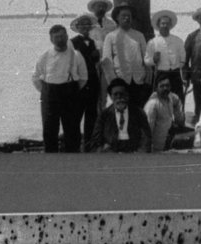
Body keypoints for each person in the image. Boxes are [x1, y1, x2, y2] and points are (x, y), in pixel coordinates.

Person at [32, 23, 89, 153]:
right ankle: (51, 158)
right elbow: (35, 77)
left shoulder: (76, 55)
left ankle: (73, 159)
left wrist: (72, 90)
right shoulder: (45, 56)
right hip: (50, 95)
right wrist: (46, 91)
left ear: (67, 36)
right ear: (51, 39)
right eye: (57, 37)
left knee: (72, 128)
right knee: (49, 129)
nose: (60, 39)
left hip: (70, 94)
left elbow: (84, 77)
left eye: (63, 36)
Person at [104, 11, 151, 150]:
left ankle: (136, 145)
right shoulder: (110, 36)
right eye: (123, 15)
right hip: (120, 82)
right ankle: (119, 145)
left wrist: (147, 80)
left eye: (129, 15)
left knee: (136, 113)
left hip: (137, 81)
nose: (127, 17)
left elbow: (146, 59)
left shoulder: (139, 35)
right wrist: (113, 84)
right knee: (119, 113)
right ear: (117, 19)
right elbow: (106, 61)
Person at [68, 14, 105, 150]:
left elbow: (98, 64)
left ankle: (89, 143)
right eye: (82, 24)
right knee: (76, 114)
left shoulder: (95, 43)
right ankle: (74, 144)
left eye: (87, 24)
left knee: (92, 114)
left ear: (91, 27)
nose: (85, 27)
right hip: (79, 83)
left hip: (93, 82)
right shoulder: (72, 43)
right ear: (77, 27)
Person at [147, 11, 187, 101]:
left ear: (170, 25)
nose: (165, 25)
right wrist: (154, 60)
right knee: (160, 100)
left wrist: (176, 66)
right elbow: (146, 60)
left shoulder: (178, 40)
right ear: (158, 25)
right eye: (163, 23)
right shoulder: (152, 42)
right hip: (161, 74)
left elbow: (183, 57)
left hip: (175, 74)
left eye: (167, 23)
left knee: (178, 99)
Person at [144, 80, 186, 153]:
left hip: (169, 142)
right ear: (156, 88)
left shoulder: (170, 98)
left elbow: (180, 119)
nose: (165, 88)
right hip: (156, 148)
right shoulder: (152, 105)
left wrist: (177, 114)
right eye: (162, 86)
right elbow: (148, 131)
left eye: (167, 86)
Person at [98, 78, 138, 151]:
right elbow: (96, 140)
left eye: (121, 94)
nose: (119, 97)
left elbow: (145, 138)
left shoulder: (138, 113)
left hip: (132, 151)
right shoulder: (104, 115)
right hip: (111, 151)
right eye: (115, 94)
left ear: (127, 95)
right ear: (111, 96)